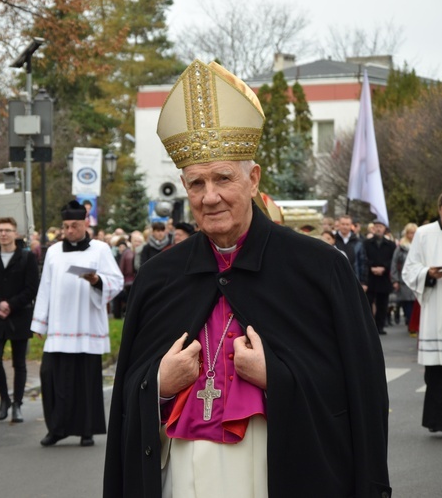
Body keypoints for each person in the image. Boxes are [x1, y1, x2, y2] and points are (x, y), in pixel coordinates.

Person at [103, 59, 390, 497]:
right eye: (196, 183)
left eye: (223, 178)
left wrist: (276, 376)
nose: (210, 196)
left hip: (278, 466)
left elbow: (359, 391)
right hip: (180, 470)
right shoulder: (159, 276)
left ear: (253, 179)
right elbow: (129, 390)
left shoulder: (318, 268)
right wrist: (157, 385)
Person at [31, 200, 124, 447]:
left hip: (87, 325)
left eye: (74, 226)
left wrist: (96, 281)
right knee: (51, 377)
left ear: (85, 224)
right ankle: (57, 428)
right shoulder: (53, 252)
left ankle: (86, 430)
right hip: (59, 327)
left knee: (85, 381)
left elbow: (116, 281)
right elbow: (45, 287)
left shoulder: (101, 250)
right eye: (66, 226)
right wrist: (40, 323)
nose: (69, 231)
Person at [403, 191, 442, 437]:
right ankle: (438, 420)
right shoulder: (424, 234)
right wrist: (428, 274)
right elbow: (409, 269)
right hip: (437, 310)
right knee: (438, 371)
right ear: (439, 211)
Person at [0, 217, 39, 422]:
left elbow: (32, 287)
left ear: (16, 233)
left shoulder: (27, 257)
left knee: (19, 362)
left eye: (8, 230)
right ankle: (4, 399)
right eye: (0, 230)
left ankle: (17, 404)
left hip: (20, 315)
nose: (3, 234)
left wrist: (11, 304)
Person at [363, 219, 397, 335]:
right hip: (370, 277)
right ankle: (369, 326)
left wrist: (384, 268)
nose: (378, 229)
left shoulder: (391, 245)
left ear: (384, 229)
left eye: (380, 227)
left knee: (382, 304)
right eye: (376, 226)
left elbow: (393, 260)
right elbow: (364, 257)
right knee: (368, 303)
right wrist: (371, 267)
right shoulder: (366, 243)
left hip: (384, 278)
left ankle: (380, 326)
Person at [391, 223, 417, 331]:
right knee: (407, 302)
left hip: (416, 278)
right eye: (411, 233)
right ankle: (409, 321)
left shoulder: (419, 245)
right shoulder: (401, 248)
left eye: (414, 233)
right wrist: (395, 280)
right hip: (404, 279)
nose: (413, 235)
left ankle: (413, 323)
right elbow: (394, 264)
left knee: (415, 302)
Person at [334, 214, 367, 285]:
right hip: (336, 278)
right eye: (343, 224)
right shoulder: (333, 240)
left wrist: (363, 282)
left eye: (347, 224)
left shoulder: (358, 242)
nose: (345, 227)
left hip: (354, 279)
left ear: (351, 225)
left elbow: (362, 262)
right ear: (338, 225)